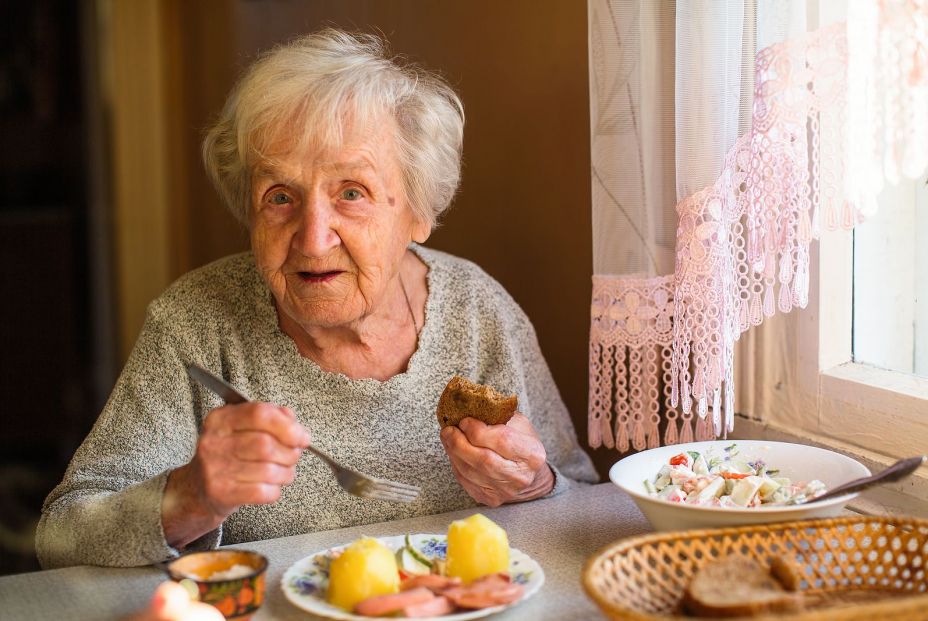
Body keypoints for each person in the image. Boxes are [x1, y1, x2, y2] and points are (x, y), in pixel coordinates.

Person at [36, 28, 598, 569]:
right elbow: (62, 534)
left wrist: (536, 484)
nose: (312, 237)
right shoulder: (197, 324)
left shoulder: (479, 310)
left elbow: (581, 500)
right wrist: (190, 498)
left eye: (351, 193)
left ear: (418, 212)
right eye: (279, 196)